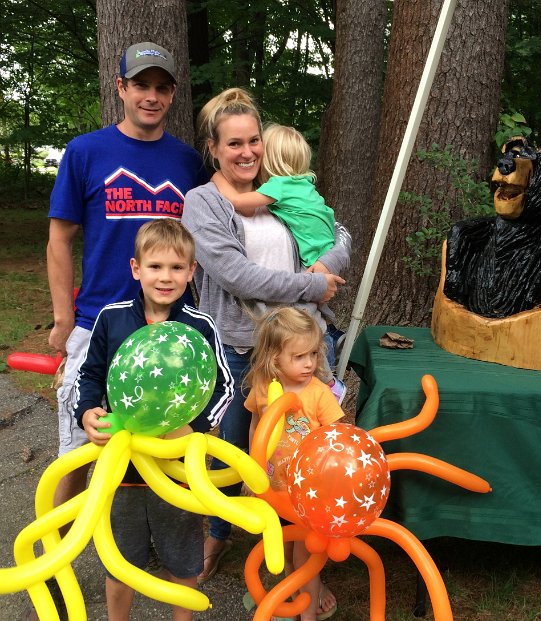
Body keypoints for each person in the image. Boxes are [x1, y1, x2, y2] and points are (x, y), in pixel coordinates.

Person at [181, 87, 349, 617]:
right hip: (239, 348)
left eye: (254, 140)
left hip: (300, 349)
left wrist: (324, 270)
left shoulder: (280, 189)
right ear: (213, 147)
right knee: (234, 447)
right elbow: (236, 274)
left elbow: (338, 232)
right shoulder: (203, 203)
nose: (247, 151)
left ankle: (301, 557)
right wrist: (309, 284)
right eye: (234, 143)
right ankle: (217, 535)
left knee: (304, 448)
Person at [46, 41, 209, 530]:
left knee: (164, 445)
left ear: (173, 93)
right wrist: (63, 317)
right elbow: (59, 238)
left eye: (161, 87)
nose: (150, 96)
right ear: (121, 88)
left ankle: (158, 540)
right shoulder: (85, 152)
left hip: (168, 330)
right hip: (99, 321)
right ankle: (54, 549)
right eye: (140, 85)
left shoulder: (187, 163)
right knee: (75, 450)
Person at [74, 219, 233, 621]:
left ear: (192, 271)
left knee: (183, 561)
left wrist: (193, 428)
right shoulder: (111, 318)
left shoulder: (200, 325)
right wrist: (87, 411)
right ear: (135, 268)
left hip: (177, 472)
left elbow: (224, 387)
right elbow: (89, 375)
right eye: (156, 266)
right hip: (119, 467)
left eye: (177, 268)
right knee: (119, 561)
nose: (166, 277)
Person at [245, 307, 343, 621]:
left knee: (307, 559)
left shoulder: (319, 394)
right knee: (283, 551)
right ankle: (290, 591)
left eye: (313, 354)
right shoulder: (263, 388)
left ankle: (308, 612)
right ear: (276, 358)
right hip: (274, 490)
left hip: (307, 498)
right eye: (299, 356)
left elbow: (335, 440)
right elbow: (255, 427)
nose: (310, 363)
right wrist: (253, 468)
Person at [212, 123, 335, 269]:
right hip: (328, 251)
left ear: (268, 159)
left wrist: (218, 176)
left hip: (313, 261)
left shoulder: (279, 185)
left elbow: (237, 200)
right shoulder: (304, 183)